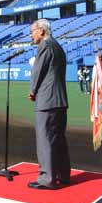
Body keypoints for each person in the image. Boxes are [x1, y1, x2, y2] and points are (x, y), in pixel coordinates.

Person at [28, 19, 70, 190]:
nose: (32, 35)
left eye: (33, 31)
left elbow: (38, 70)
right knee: (58, 139)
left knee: (45, 139)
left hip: (47, 100)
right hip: (60, 100)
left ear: (42, 31)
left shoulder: (45, 45)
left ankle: (47, 178)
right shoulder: (58, 46)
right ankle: (63, 175)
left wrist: (33, 90)